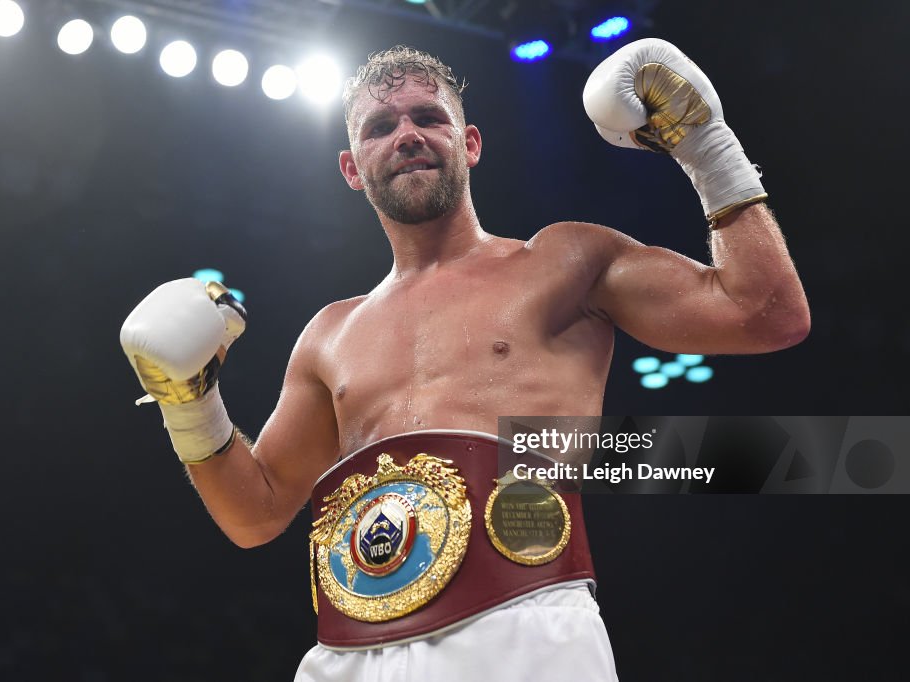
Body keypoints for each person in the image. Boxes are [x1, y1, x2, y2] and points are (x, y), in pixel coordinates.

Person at [120, 40, 809, 681]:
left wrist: (705, 144)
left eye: (429, 117)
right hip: (349, 652)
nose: (408, 134)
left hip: (523, 619)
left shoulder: (564, 261)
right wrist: (191, 402)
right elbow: (257, 513)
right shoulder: (328, 335)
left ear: (469, 143)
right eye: (379, 127)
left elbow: (768, 313)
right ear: (352, 169)